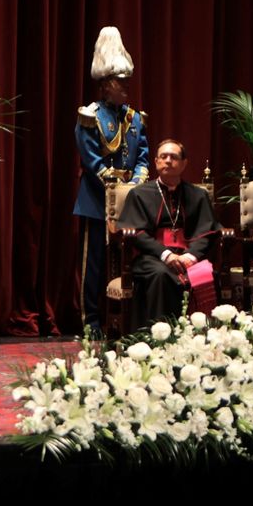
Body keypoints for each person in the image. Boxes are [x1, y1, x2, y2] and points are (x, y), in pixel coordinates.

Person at [73, 26, 149, 334]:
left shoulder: (135, 117)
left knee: (130, 262)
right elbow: (92, 160)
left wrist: (141, 177)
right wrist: (112, 183)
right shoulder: (90, 116)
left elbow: (142, 154)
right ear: (105, 86)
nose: (126, 88)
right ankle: (91, 322)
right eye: (120, 83)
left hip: (131, 200)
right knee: (95, 265)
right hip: (97, 201)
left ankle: (128, 321)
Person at [117, 139, 221, 328]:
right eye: (163, 157)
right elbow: (136, 232)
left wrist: (191, 255)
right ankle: (160, 337)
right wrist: (166, 254)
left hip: (189, 257)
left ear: (184, 163)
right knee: (161, 275)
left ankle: (202, 338)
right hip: (152, 257)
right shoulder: (139, 194)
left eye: (173, 157)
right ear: (156, 162)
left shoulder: (198, 195)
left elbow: (208, 230)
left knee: (207, 275)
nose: (167, 161)